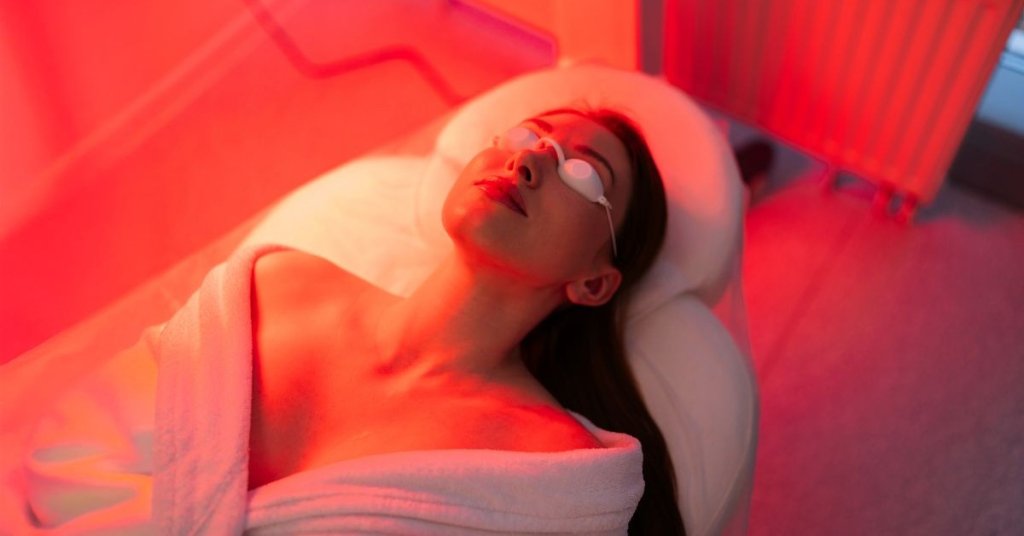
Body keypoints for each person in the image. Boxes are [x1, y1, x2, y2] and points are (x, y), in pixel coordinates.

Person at [245, 107, 684, 534]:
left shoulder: (551, 469)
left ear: (593, 283)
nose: (527, 159)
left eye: (582, 174)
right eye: (526, 135)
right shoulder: (278, 281)